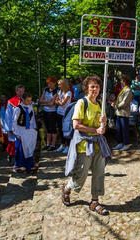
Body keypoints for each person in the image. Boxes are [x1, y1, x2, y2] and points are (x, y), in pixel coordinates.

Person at [61, 75, 111, 216]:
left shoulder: (101, 105)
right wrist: (95, 130)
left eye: (97, 86)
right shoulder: (82, 103)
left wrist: (104, 121)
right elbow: (76, 125)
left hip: (98, 145)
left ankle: (95, 201)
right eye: (92, 87)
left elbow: (103, 127)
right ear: (86, 88)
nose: (95, 89)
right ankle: (67, 188)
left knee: (99, 174)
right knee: (81, 175)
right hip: (84, 144)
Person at [12, 92, 38, 174]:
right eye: (27, 101)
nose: (29, 102)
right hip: (20, 129)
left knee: (29, 147)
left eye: (30, 101)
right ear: (23, 99)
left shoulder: (30, 108)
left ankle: (29, 166)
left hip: (28, 129)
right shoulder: (18, 109)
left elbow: (32, 119)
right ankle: (19, 166)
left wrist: (34, 127)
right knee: (21, 148)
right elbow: (14, 122)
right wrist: (17, 133)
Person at [112, 75, 133, 151]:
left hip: (124, 112)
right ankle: (119, 142)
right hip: (118, 112)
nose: (121, 82)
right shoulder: (123, 89)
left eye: (122, 80)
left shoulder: (128, 90)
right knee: (118, 128)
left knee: (124, 129)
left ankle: (126, 144)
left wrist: (116, 106)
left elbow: (124, 102)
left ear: (125, 81)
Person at [5, 85, 25, 162]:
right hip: (13, 124)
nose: (21, 93)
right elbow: (8, 115)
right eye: (19, 91)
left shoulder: (25, 100)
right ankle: (10, 154)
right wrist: (9, 127)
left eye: (22, 91)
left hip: (22, 125)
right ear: (16, 91)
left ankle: (20, 156)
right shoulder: (11, 102)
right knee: (12, 140)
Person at [39, 76, 58, 151]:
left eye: (51, 84)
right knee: (47, 128)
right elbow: (41, 100)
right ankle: (47, 143)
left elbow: (52, 104)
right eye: (48, 84)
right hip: (45, 111)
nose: (49, 85)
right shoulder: (46, 89)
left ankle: (53, 144)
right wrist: (47, 102)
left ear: (54, 83)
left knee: (52, 127)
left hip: (52, 112)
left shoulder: (56, 91)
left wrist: (45, 103)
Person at [55, 79, 72, 154]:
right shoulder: (60, 92)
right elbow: (56, 101)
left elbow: (63, 103)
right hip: (59, 112)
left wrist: (59, 102)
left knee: (66, 130)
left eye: (59, 84)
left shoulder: (68, 93)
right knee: (60, 129)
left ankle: (68, 146)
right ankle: (62, 144)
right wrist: (59, 102)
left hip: (65, 113)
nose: (58, 86)